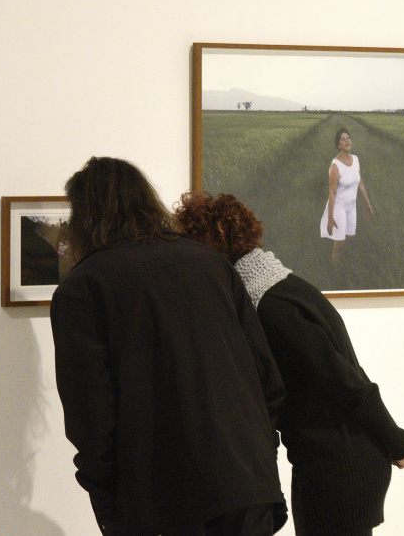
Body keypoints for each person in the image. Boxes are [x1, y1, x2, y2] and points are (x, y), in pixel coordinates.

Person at [51, 157, 287, 535]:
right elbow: (266, 378)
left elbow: (91, 415)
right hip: (246, 486)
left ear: (85, 216)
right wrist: (259, 455)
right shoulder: (209, 263)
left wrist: (111, 509)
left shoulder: (83, 288)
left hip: (161, 501)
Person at [175, 192, 404, 536]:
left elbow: (344, 380)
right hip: (331, 459)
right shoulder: (282, 286)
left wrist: (396, 441)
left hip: (340, 467)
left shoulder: (271, 306)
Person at [319, 128, 374, 265]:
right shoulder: (335, 165)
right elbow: (332, 192)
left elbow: (360, 182)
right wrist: (330, 217)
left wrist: (368, 204)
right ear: (338, 145)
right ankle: (335, 275)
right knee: (339, 244)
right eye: (343, 139)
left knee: (351, 237)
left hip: (351, 206)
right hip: (339, 207)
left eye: (348, 138)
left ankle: (346, 265)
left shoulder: (355, 159)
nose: (347, 141)